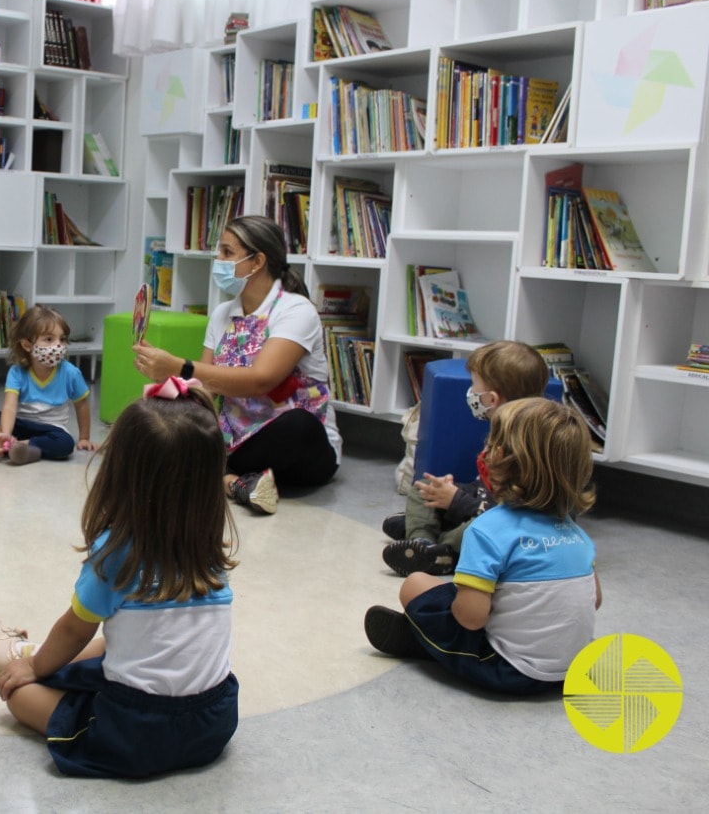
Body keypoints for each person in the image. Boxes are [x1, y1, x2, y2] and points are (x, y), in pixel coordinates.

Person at [0, 376, 239, 778]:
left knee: (21, 695)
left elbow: (74, 631)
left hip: (134, 732)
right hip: (213, 723)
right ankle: (35, 656)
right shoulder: (208, 552)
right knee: (113, 640)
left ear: (120, 475)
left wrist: (36, 670)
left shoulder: (117, 553)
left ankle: (24, 657)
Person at [363, 397, 601, 695]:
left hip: (508, 670)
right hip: (574, 671)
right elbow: (595, 600)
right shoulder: (574, 531)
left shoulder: (488, 529)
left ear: (501, 460)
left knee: (415, 585)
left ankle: (424, 641)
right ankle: (428, 639)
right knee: (487, 588)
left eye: (492, 444)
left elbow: (471, 619)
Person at [133, 215, 340, 515]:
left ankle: (205, 470)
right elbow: (202, 389)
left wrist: (179, 366)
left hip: (298, 450)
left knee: (299, 425)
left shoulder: (296, 310)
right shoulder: (222, 314)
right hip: (237, 444)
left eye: (227, 253)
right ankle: (234, 482)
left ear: (257, 262)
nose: (218, 260)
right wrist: (165, 378)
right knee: (161, 421)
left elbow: (261, 380)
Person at [381, 340, 549, 577]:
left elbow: (510, 511)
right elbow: (486, 486)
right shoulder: (500, 432)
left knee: (475, 531)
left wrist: (457, 500)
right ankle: (421, 540)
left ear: (492, 399)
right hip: (479, 506)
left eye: (474, 387)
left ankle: (437, 548)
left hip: (506, 521)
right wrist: (454, 490)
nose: (471, 393)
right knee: (425, 488)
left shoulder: (524, 447)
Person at [0, 304, 96, 465]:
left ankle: (5, 444)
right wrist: (6, 432)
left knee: (65, 444)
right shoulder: (17, 372)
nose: (58, 345)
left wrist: (84, 438)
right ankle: (6, 441)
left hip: (50, 430)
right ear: (27, 345)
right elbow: (9, 406)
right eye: (49, 339)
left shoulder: (71, 373)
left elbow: (82, 405)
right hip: (19, 426)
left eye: (62, 339)